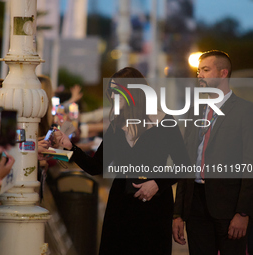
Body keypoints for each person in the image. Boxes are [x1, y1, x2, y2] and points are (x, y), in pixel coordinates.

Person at [53, 67, 190, 255]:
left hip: (154, 206)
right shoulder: (117, 125)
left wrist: (157, 183)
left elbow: (184, 166)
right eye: (111, 91)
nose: (112, 96)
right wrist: (70, 148)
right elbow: (96, 166)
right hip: (121, 204)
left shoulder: (166, 122)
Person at [172, 50, 253, 255]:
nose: (200, 75)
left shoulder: (245, 111)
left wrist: (243, 212)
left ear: (223, 73)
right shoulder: (195, 110)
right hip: (195, 206)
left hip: (229, 207)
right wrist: (178, 214)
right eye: (199, 71)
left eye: (206, 70)